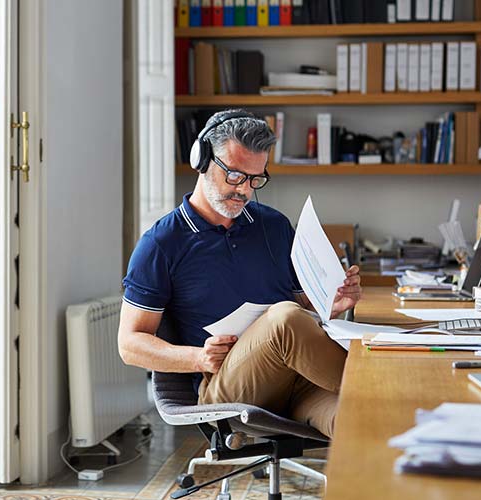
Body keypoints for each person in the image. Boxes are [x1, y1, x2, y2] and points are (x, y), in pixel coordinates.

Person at [118, 109, 361, 438]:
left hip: (299, 383)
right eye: (234, 175)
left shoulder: (274, 226)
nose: (244, 190)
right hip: (230, 391)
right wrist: (199, 358)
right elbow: (129, 344)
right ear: (202, 159)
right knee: (284, 318)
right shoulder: (161, 244)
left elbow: (306, 307)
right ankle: (381, 382)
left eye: (255, 179)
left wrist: (332, 302)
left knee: (364, 420)